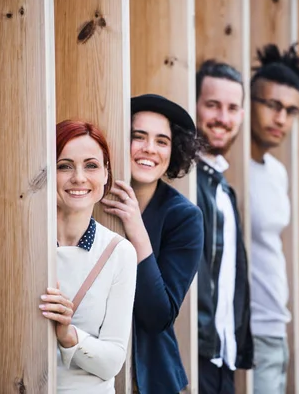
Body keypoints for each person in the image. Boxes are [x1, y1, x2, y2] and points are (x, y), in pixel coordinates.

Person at [101, 94, 204, 393]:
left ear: (174, 152)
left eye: (162, 141)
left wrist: (136, 229)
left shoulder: (185, 218)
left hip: (149, 380)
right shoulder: (92, 196)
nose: (149, 149)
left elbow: (157, 315)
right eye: (138, 136)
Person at [40, 119, 137, 394]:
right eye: (64, 166)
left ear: (106, 174)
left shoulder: (118, 253)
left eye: (91, 165)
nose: (79, 178)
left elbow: (112, 362)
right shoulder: (26, 247)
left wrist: (68, 335)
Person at [249, 43, 299, 394]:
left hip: (276, 328)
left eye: (291, 110)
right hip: (248, 333)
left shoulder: (277, 172)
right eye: (272, 105)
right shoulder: (228, 173)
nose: (281, 118)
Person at [195, 60, 253, 394]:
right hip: (197, 355)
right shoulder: (185, 182)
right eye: (213, 105)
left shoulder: (222, 186)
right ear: (196, 106)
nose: (223, 118)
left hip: (223, 358)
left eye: (233, 108)